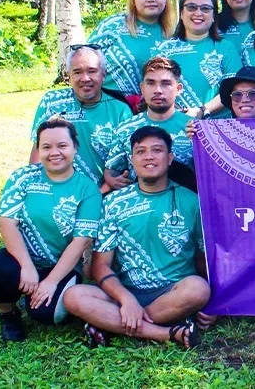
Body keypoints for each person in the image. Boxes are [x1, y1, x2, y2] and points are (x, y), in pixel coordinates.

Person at [62, 127, 210, 350]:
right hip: (124, 291)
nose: (149, 156)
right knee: (73, 296)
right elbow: (100, 266)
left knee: (199, 289)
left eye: (157, 150)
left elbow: (203, 259)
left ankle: (110, 324)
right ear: (131, 160)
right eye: (140, 152)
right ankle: (166, 332)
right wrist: (127, 300)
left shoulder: (192, 201)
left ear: (170, 158)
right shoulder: (113, 203)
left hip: (173, 291)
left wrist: (215, 303)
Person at [0, 119, 101, 342]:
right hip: (23, 260)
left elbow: (81, 240)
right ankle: (8, 314)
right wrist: (27, 266)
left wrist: (51, 282)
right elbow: (6, 222)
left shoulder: (88, 189)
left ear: (75, 148)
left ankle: (41, 294)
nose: (54, 152)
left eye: (62, 145)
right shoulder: (23, 178)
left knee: (46, 314)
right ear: (38, 149)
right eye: (46, 147)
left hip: (61, 266)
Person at [29, 45, 132, 182]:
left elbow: (127, 161)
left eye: (92, 71)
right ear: (68, 75)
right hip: (59, 189)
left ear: (103, 74)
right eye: (77, 72)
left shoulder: (120, 110)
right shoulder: (52, 102)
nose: (85, 78)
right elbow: (38, 151)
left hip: (106, 192)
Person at [104, 57, 195, 193]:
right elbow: (111, 171)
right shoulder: (125, 129)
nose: (158, 90)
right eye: (151, 83)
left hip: (186, 206)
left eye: (165, 83)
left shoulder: (194, 128)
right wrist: (113, 180)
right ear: (142, 88)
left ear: (178, 88)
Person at [156, 0, 243, 118]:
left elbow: (234, 89)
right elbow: (154, 87)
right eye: (191, 7)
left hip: (217, 128)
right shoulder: (163, 49)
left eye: (205, 8)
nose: (198, 13)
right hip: (173, 124)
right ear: (181, 13)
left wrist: (202, 110)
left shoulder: (225, 48)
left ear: (214, 16)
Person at [89, 0, 176, 98]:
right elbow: (84, 62)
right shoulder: (112, 26)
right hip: (109, 106)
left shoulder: (173, 35)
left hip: (153, 111)